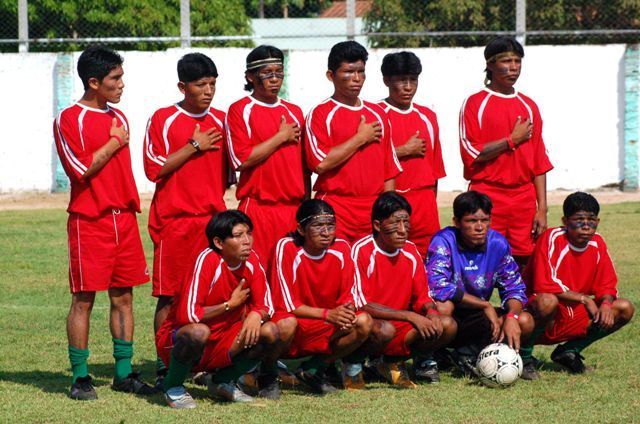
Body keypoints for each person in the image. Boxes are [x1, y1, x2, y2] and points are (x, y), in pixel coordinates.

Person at [53, 46, 154, 400]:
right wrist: (113, 142)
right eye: (115, 78)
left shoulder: (121, 117)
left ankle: (123, 373)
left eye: (121, 77)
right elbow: (79, 170)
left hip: (123, 219)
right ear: (94, 82)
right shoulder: (70, 118)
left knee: (124, 297)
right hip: (89, 220)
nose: (122, 84)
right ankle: (80, 377)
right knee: (83, 300)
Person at [143, 53, 227, 384]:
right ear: (182, 86)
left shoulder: (222, 120)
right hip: (175, 222)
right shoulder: (163, 118)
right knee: (170, 295)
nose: (208, 91)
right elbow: (154, 169)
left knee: (210, 296)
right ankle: (165, 362)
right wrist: (194, 145)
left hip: (211, 223)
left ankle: (204, 361)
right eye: (200, 85)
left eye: (212, 84)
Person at [156, 211, 279, 408]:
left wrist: (256, 315)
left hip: (224, 338)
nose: (247, 241)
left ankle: (221, 381)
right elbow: (188, 315)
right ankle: (173, 386)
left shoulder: (252, 260)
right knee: (198, 331)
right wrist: (229, 305)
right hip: (182, 338)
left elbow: (268, 305)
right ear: (219, 243)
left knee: (270, 332)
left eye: (249, 234)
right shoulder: (207, 260)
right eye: (238, 236)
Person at [458, 36, 553, 268]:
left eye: (517, 61)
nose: (513, 67)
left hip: (523, 197)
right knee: (481, 262)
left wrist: (542, 208)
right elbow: (473, 153)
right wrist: (512, 139)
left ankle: (519, 306)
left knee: (525, 264)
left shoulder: (529, 105)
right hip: (488, 194)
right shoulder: (474, 103)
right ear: (490, 65)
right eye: (506, 61)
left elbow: (539, 161)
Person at [350, 192, 456, 388]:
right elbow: (361, 303)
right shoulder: (361, 250)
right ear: (377, 225)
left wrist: (431, 313)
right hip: (371, 324)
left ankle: (390, 362)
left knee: (447, 325)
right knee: (384, 329)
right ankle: (353, 366)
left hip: (400, 324)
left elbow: (422, 296)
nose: (402, 230)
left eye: (406, 222)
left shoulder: (411, 251)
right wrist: (409, 316)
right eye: (395, 223)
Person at [521, 192, 634, 375]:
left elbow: (607, 284)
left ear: (597, 221)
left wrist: (605, 303)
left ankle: (569, 351)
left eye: (591, 220)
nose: (586, 226)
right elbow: (545, 284)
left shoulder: (597, 243)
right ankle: (524, 358)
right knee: (547, 301)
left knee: (624, 307)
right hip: (542, 313)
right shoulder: (552, 237)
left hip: (573, 312)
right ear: (565, 221)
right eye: (579, 219)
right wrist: (585, 299)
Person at [426, 191, 535, 378]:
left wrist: (511, 316)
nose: (479, 227)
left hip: (479, 318)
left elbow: (514, 288)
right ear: (456, 221)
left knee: (524, 320)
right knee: (443, 307)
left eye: (485, 220)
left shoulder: (498, 243)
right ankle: (431, 356)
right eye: (471, 221)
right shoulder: (443, 241)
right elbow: (437, 285)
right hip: (452, 313)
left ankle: (468, 354)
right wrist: (484, 304)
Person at [270, 199, 372, 394]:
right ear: (301, 229)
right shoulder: (286, 247)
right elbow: (286, 303)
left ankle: (314, 369)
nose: (326, 233)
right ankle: (268, 374)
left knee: (363, 321)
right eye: (318, 226)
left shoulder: (342, 247)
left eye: (331, 226)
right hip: (297, 322)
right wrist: (328, 314)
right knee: (285, 324)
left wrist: (346, 311)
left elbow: (350, 293)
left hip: (326, 321)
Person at [305, 41, 402, 243]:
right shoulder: (320, 114)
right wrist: (360, 138)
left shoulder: (379, 114)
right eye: (349, 72)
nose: (357, 78)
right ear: (331, 76)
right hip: (335, 207)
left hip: (373, 208)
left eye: (361, 71)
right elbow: (320, 164)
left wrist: (388, 210)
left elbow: (389, 170)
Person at [225, 45, 307, 266]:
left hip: (292, 209)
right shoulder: (240, 109)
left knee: (290, 276)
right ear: (250, 76)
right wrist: (280, 137)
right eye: (267, 73)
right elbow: (240, 160)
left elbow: (303, 165)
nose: (274, 79)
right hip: (259, 208)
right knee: (258, 274)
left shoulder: (295, 111)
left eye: (279, 73)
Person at [378, 51, 446, 259]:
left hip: (424, 203)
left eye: (413, 80)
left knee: (429, 261)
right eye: (401, 80)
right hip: (393, 199)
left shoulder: (428, 116)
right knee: (393, 260)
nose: (408, 87)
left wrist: (429, 204)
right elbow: (368, 162)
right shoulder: (377, 114)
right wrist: (403, 151)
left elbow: (434, 170)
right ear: (387, 80)